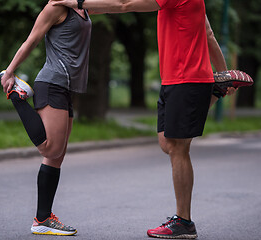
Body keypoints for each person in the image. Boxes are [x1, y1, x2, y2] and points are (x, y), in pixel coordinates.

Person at [48, 0, 233, 239]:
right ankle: (215, 90)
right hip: (174, 79)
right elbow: (207, 32)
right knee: (167, 144)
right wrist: (224, 73)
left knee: (178, 147)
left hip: (187, 79)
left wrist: (79, 2)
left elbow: (125, 4)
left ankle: (184, 221)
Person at [0, 2, 91, 236]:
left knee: (57, 157)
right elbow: (32, 39)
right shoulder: (55, 7)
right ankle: (18, 97)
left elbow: (120, 5)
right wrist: (10, 71)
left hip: (65, 87)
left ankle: (42, 219)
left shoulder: (83, 6)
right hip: (52, 83)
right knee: (50, 149)